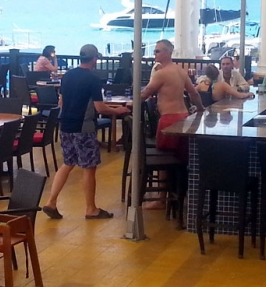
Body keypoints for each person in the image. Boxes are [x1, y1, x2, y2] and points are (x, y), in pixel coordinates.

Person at [42, 44, 131, 220]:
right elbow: (99, 107)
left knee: (67, 163)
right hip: (84, 127)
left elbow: (61, 102)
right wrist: (117, 111)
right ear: (94, 59)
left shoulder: (67, 76)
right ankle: (91, 209)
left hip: (65, 125)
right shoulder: (92, 79)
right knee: (89, 168)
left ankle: (50, 202)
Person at [141, 39, 203, 159]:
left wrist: (131, 103)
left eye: (157, 51)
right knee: (180, 157)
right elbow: (194, 93)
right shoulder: (181, 71)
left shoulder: (161, 74)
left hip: (169, 120)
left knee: (164, 157)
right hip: (184, 117)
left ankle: (165, 178)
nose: (154, 53)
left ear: (167, 52)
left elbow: (145, 93)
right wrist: (201, 108)